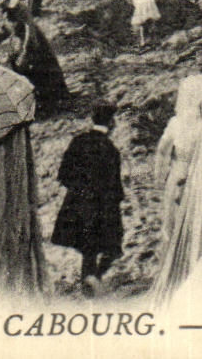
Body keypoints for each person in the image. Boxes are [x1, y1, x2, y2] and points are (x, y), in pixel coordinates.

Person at [52, 104, 126, 294]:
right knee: (107, 246)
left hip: (77, 203)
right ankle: (92, 281)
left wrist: (78, 191)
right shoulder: (110, 149)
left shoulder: (78, 142)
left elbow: (63, 174)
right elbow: (114, 186)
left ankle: (89, 280)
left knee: (87, 246)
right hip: (101, 206)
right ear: (111, 123)